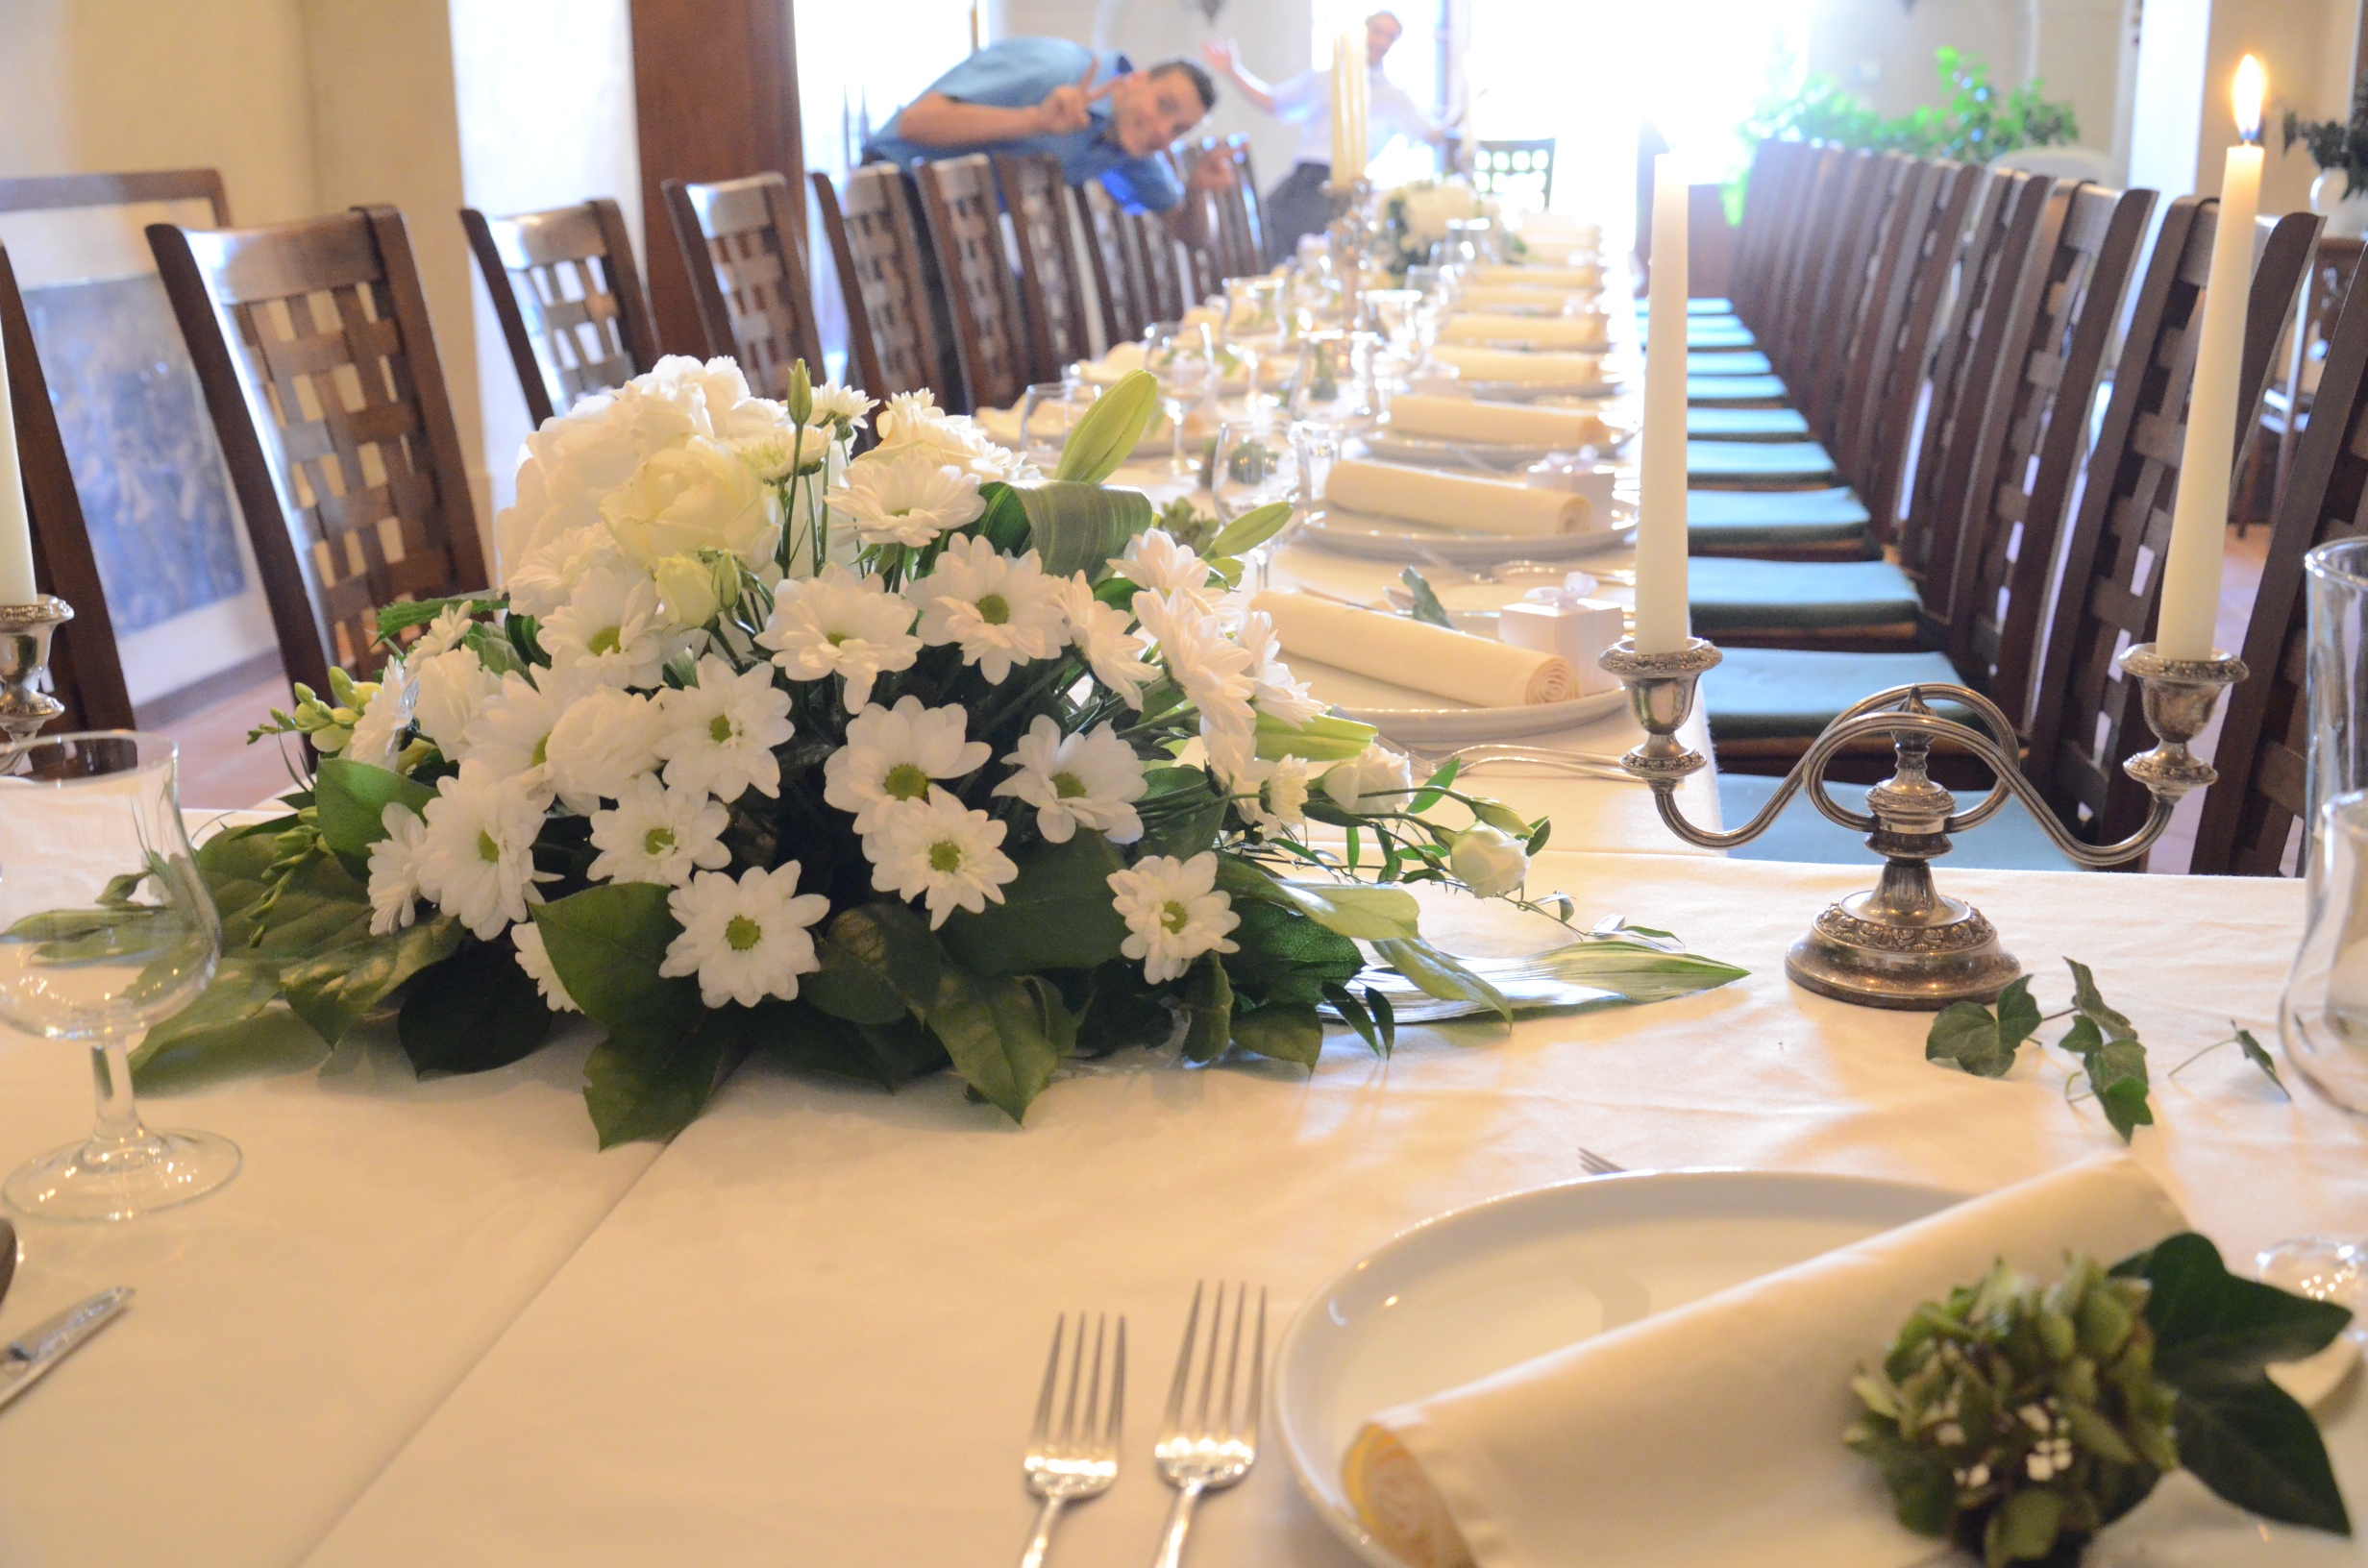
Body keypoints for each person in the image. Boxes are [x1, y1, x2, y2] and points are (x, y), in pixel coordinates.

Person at [863, 37, 1231, 237]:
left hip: (963, 216)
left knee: (1021, 329)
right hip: (894, 190)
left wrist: (1197, 190)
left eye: (1179, 130)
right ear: (1135, 80)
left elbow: (1188, 232)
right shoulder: (1056, 68)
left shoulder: (1128, 142)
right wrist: (1034, 120)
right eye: (1164, 105)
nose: (1164, 130)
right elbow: (915, 123)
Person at [1202, 11, 1452, 254]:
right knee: (1256, 237)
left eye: (1390, 36)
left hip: (1342, 185)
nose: (1382, 41)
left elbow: (1431, 135)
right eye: (1377, 31)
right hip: (1303, 177)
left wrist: (1462, 111)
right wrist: (1232, 71)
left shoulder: (1392, 96)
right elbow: (1274, 102)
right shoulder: (1325, 79)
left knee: (1312, 249)